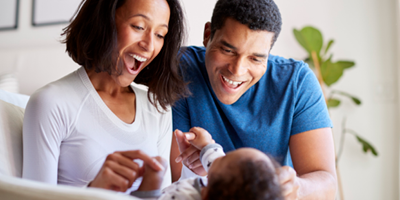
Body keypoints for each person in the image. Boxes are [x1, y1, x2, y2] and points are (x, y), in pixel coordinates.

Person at [170, 0, 337, 199]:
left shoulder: (297, 82)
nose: (237, 70)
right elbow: (174, 179)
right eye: (228, 50)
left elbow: (326, 183)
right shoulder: (178, 69)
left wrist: (296, 188)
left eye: (256, 58)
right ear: (208, 35)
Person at [22, 0, 188, 194]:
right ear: (104, 21)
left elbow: (164, 195)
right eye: (138, 26)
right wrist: (94, 191)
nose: (149, 45)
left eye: (160, 35)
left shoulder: (157, 108)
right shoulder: (51, 103)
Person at [130, 127, 283, 200]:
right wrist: (207, 144)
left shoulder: (184, 197)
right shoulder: (224, 183)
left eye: (224, 158)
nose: (218, 156)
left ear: (206, 194)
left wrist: (151, 183)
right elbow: (216, 162)